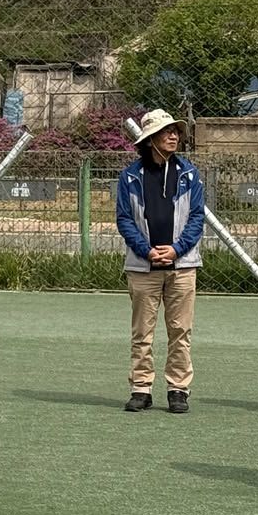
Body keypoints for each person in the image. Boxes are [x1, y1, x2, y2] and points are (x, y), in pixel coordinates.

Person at [115, 108, 205, 415]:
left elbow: (197, 217)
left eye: (175, 131)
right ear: (149, 139)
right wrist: (146, 249)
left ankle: (178, 389)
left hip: (183, 265)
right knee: (142, 332)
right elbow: (124, 219)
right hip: (143, 267)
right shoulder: (130, 177)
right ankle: (141, 388)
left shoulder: (189, 174)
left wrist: (177, 249)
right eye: (166, 131)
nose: (173, 136)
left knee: (181, 331)